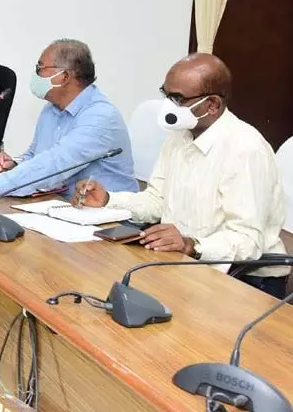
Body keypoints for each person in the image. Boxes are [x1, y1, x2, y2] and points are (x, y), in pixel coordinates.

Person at [75, 53, 289, 298]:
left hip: (247, 279)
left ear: (212, 105)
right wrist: (107, 200)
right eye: (166, 95)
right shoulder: (180, 136)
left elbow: (248, 241)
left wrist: (192, 245)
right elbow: (156, 201)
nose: (169, 105)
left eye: (178, 98)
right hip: (189, 264)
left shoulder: (245, 149)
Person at [0, 39, 137, 198]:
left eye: (40, 68)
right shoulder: (51, 109)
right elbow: (35, 156)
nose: (36, 74)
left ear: (63, 76)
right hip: (62, 205)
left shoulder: (101, 117)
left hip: (108, 218)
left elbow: (55, 164)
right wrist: (14, 163)